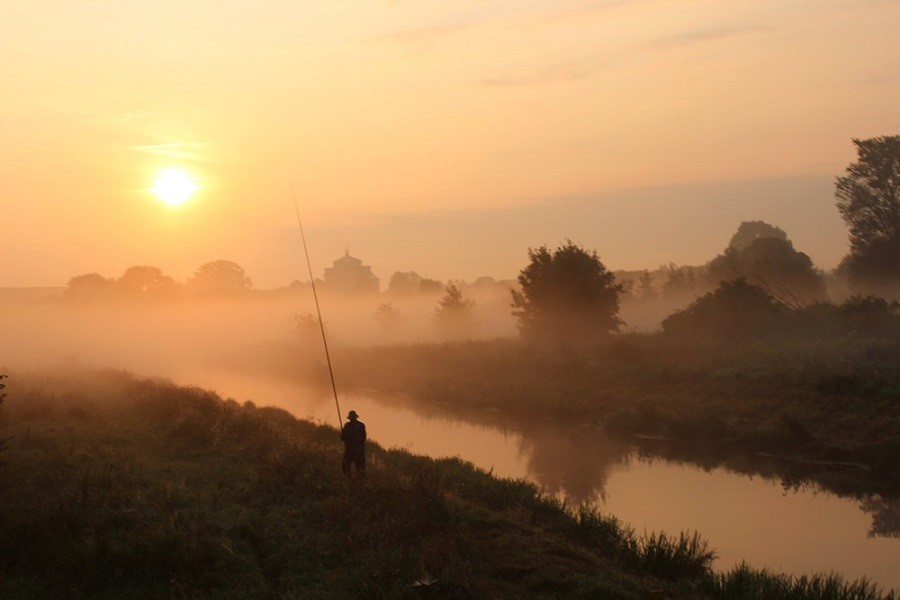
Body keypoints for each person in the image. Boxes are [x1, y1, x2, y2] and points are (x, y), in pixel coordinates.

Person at [340, 410, 366, 477]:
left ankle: (350, 479)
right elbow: (343, 438)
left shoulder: (348, 426)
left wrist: (343, 433)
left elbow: (342, 438)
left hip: (355, 450)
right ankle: (351, 480)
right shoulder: (360, 425)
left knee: (346, 464)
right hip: (354, 450)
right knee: (347, 465)